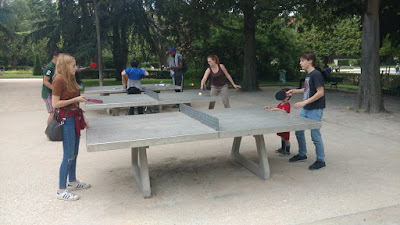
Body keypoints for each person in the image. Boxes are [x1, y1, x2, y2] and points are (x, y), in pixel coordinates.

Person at [52, 54, 90, 201]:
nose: (76, 68)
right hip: (67, 119)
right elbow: (55, 104)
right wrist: (76, 99)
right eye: (73, 65)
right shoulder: (59, 80)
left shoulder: (71, 77)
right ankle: (61, 190)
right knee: (67, 155)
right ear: (65, 66)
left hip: (75, 117)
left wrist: (83, 117)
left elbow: (75, 103)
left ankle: (72, 181)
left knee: (74, 153)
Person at [286, 51, 326, 170]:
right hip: (307, 108)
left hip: (315, 109)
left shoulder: (316, 74)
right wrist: (294, 91)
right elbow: (308, 89)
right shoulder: (309, 75)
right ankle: (302, 154)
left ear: (310, 61)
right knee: (298, 131)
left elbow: (320, 92)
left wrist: (304, 102)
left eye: (302, 60)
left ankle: (321, 160)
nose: (300, 63)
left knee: (315, 135)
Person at [263, 88, 291, 156]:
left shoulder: (287, 104)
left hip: (285, 124)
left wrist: (278, 109)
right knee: (282, 137)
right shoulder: (280, 104)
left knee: (286, 139)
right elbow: (275, 110)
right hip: (280, 123)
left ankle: (287, 151)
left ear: (287, 97)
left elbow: (286, 112)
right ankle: (282, 148)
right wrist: (269, 107)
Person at [42, 50, 61, 125]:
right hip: (48, 94)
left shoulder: (56, 66)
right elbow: (45, 81)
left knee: (56, 111)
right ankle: (49, 131)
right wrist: (55, 89)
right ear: (54, 57)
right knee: (52, 112)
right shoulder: (50, 67)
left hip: (53, 93)